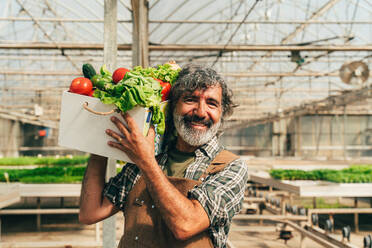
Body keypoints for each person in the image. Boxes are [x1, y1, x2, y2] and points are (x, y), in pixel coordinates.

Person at [79, 64, 248, 248]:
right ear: (173, 106)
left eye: (212, 103)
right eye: (190, 100)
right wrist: (100, 136)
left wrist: (146, 162)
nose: (200, 112)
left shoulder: (230, 167)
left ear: (222, 113)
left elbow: (186, 225)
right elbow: (90, 212)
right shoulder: (148, 157)